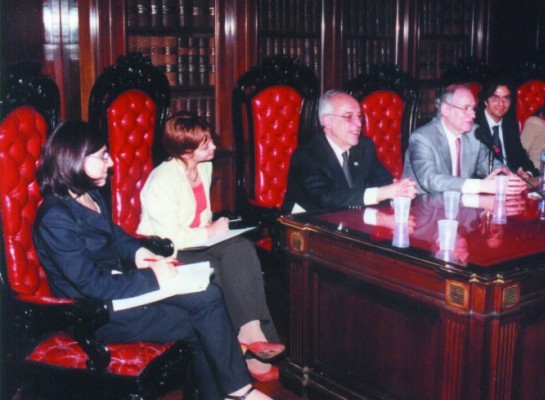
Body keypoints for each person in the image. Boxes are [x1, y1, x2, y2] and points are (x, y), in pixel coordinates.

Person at [32, 120, 270, 400]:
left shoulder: (88, 195)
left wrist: (139, 252)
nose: (111, 162)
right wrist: (153, 276)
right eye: (103, 156)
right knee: (202, 317)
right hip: (94, 312)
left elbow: (115, 235)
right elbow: (91, 284)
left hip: (119, 291)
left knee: (209, 294)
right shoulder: (55, 218)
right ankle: (239, 393)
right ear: (75, 160)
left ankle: (235, 392)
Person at [137, 113, 284, 382]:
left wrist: (213, 228)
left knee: (242, 249)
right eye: (206, 145)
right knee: (215, 268)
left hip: (197, 242)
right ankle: (252, 354)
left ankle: (250, 335)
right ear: (185, 151)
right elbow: (171, 238)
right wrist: (210, 230)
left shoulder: (203, 167)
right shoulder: (161, 180)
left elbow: (200, 217)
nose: (214, 148)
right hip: (166, 251)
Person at [282, 90, 417, 214]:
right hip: (305, 226)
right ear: (327, 121)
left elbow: (385, 182)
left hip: (349, 221)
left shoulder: (365, 146)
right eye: (349, 117)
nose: (358, 124)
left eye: (359, 116)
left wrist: (401, 190)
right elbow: (326, 198)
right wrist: (383, 193)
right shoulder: (308, 155)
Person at [402, 84, 527, 194]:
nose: (473, 115)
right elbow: (431, 180)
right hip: (424, 209)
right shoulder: (422, 138)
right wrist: (481, 185)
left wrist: (509, 178)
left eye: (473, 109)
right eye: (466, 108)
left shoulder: (474, 133)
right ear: (446, 109)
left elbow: (489, 164)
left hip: (462, 208)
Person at [474, 79, 539, 176]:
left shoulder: (510, 124)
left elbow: (521, 155)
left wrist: (528, 173)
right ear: (485, 101)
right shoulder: (475, 126)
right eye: (495, 98)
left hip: (512, 181)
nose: (501, 103)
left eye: (506, 98)